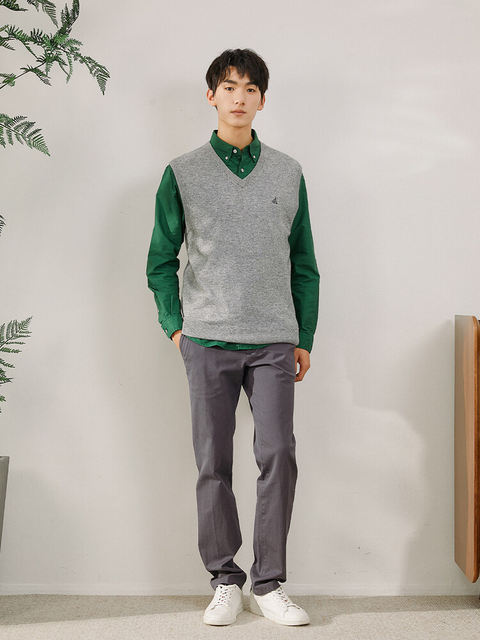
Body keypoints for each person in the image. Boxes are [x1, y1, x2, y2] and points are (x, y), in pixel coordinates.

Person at [146, 48, 320, 627]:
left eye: (249, 89)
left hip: (274, 339)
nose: (239, 97)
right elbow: (160, 260)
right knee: (212, 462)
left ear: (262, 100)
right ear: (211, 96)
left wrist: (304, 335)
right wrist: (177, 328)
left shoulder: (288, 172)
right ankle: (225, 578)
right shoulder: (182, 172)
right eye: (228, 87)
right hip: (207, 339)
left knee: (278, 455)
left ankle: (268, 583)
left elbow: (303, 263)